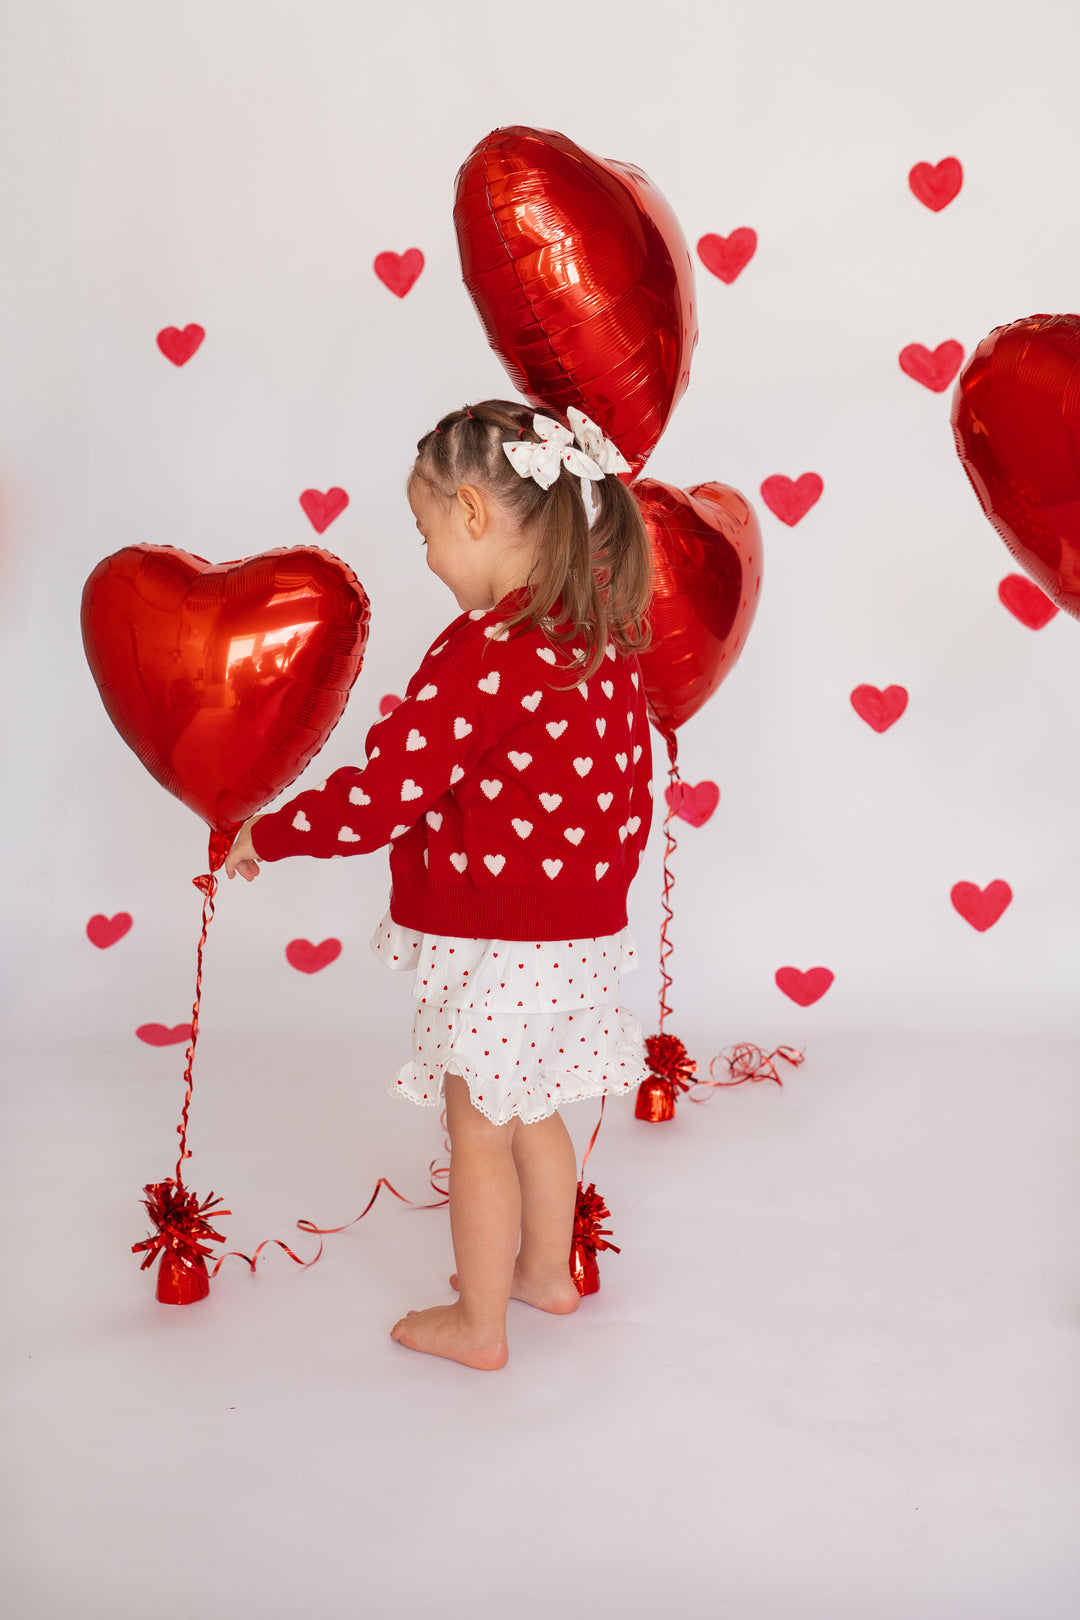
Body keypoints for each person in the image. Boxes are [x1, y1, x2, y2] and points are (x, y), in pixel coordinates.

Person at [224, 399, 655, 1370]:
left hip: (502, 942)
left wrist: (271, 832)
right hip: (579, 939)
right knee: (532, 1108)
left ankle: (479, 1325)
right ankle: (545, 1275)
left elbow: (382, 796)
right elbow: (633, 793)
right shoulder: (599, 640)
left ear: (471, 511)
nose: (425, 557)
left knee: (479, 1128)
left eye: (425, 532)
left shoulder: (487, 652)